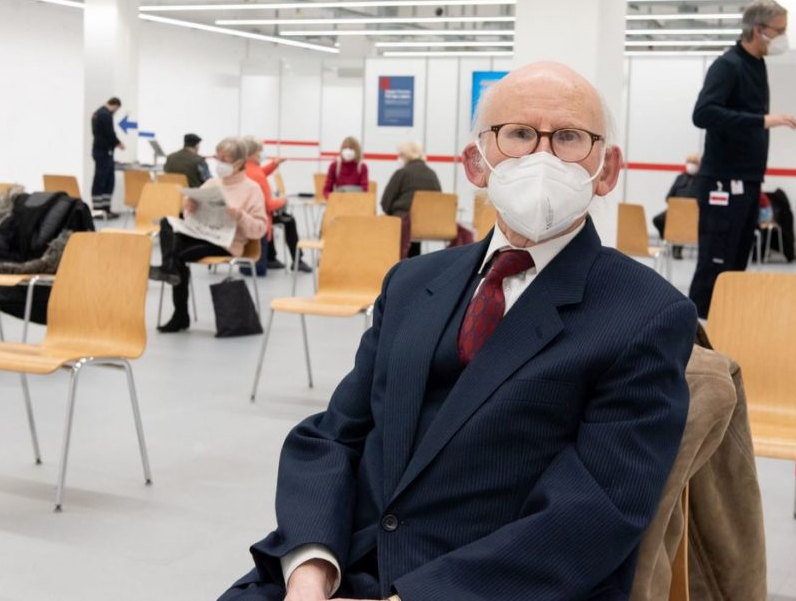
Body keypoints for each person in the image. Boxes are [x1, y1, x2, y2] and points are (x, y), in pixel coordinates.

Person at [220, 62, 697, 601]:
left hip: (482, 585)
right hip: (342, 561)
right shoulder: (412, 282)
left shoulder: (644, 314)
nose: (541, 156)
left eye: (567, 138)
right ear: (476, 162)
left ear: (606, 169)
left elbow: (594, 512)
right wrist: (311, 569)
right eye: (517, 134)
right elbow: (333, 435)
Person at [688, 0, 796, 318]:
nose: (783, 38)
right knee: (716, 261)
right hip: (723, 178)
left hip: (748, 178)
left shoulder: (756, 64)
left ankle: (725, 328)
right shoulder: (728, 65)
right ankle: (696, 340)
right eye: (779, 31)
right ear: (758, 30)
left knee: (737, 260)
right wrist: (761, 120)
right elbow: (704, 113)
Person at [153, 137, 267, 334]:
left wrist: (240, 216)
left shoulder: (252, 188)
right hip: (202, 233)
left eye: (225, 159)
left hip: (227, 242)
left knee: (177, 255)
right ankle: (171, 274)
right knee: (167, 223)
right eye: (218, 158)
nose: (219, 163)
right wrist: (190, 207)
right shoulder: (211, 183)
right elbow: (191, 218)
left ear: (239, 163)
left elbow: (259, 229)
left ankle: (179, 309)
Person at [242, 137, 310, 275]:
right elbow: (269, 205)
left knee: (277, 219)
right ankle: (297, 260)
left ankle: (271, 257)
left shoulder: (244, 169)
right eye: (260, 151)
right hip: (260, 219)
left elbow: (260, 172)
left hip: (245, 216)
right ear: (252, 153)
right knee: (289, 220)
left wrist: (274, 164)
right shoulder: (257, 175)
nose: (262, 153)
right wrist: (283, 200)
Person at [381, 141, 442, 258]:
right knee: (416, 228)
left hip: (404, 223)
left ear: (405, 156)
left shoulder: (402, 173)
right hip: (430, 223)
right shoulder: (432, 174)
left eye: (400, 155)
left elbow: (386, 202)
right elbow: (438, 198)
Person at [652, 152, 700, 259]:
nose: (691, 165)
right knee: (657, 220)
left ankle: (677, 248)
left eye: (694, 163)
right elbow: (668, 196)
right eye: (690, 162)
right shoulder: (680, 178)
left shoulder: (701, 181)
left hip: (691, 214)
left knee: (681, 222)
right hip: (675, 211)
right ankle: (668, 238)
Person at [91, 97, 124, 218]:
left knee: (106, 180)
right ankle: (100, 209)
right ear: (115, 105)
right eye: (117, 109)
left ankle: (103, 208)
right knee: (103, 181)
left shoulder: (97, 113)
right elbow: (110, 133)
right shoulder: (105, 114)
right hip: (104, 153)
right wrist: (118, 143)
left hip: (101, 152)